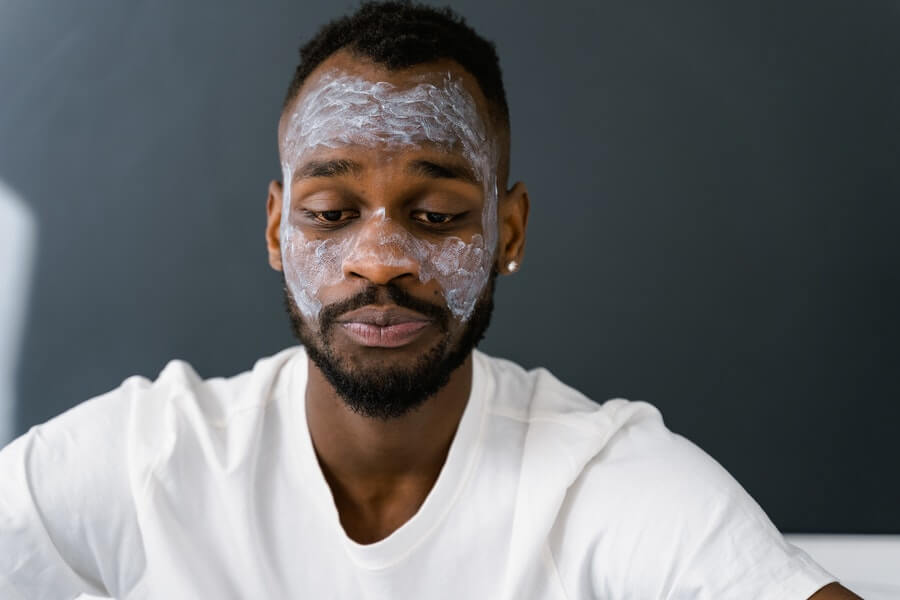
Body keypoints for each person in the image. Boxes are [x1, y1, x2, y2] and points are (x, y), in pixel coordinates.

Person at [0, 2, 860, 598]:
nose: (379, 260)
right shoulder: (158, 459)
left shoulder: (599, 480)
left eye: (437, 214)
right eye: (331, 214)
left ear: (508, 232)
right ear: (275, 230)